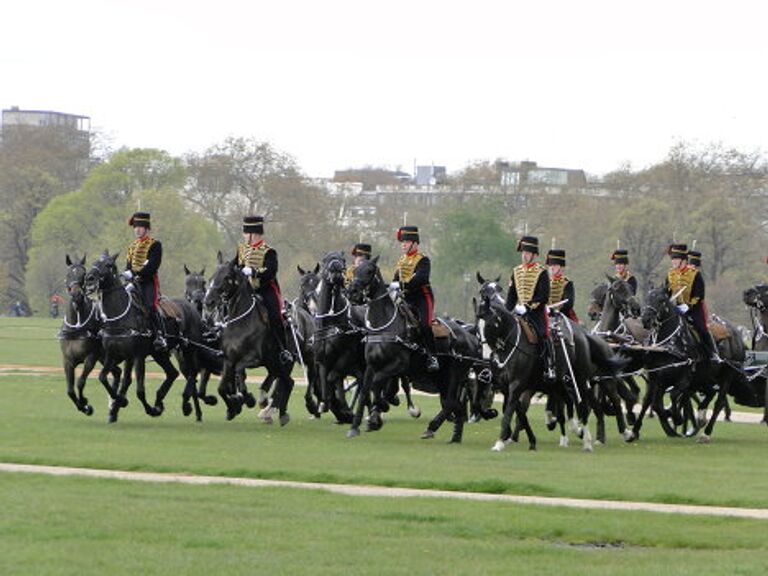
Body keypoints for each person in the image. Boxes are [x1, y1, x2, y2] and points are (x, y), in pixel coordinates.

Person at [237, 215, 292, 365]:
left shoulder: (269, 251)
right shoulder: (242, 249)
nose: (243, 236)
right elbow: (235, 266)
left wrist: (254, 272)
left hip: (264, 288)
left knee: (275, 316)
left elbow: (271, 271)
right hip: (245, 290)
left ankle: (282, 349)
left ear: (252, 234)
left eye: (245, 233)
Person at [506, 235, 555, 379]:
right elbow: (511, 296)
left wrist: (527, 307)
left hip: (535, 313)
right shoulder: (516, 271)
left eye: (527, 253)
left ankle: (548, 365)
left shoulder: (541, 272)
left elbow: (543, 297)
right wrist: (508, 311)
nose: (524, 255)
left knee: (542, 336)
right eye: (523, 253)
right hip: (517, 313)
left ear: (534, 254)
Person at [392, 226, 439, 372]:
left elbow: (421, 279)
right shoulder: (401, 260)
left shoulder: (423, 260)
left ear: (415, 243)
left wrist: (401, 284)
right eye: (402, 242)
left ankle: (433, 357)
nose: (403, 245)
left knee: (425, 326)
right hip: (406, 299)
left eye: (406, 242)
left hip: (422, 299)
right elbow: (394, 279)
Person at [664, 243, 721, 363]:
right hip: (676, 309)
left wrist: (688, 307)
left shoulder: (695, 274)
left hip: (694, 310)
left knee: (702, 329)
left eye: (676, 258)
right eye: (673, 259)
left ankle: (713, 353)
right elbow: (667, 292)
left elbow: (699, 295)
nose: (673, 261)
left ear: (683, 260)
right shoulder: (670, 274)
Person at [122, 211, 166, 349]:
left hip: (147, 282)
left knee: (149, 305)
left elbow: (153, 266)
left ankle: (159, 335)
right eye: (135, 227)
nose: (137, 229)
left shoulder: (155, 244)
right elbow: (128, 266)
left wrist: (136, 274)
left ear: (146, 228)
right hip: (132, 283)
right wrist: (127, 275)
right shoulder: (132, 246)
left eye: (140, 227)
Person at [546, 249, 578, 323]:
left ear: (560, 267)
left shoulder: (567, 283)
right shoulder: (544, 282)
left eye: (554, 265)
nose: (551, 268)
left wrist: (553, 310)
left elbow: (568, 304)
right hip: (545, 315)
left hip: (562, 316)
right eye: (550, 265)